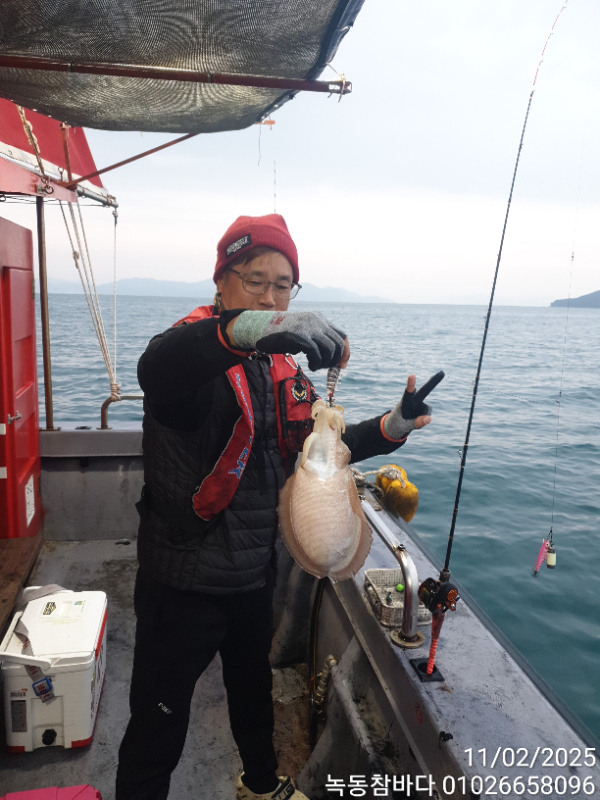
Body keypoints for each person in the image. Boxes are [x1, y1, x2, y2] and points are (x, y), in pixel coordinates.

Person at [116, 214, 435, 800]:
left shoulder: (279, 369)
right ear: (221, 282)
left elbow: (324, 447)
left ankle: (261, 787)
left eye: (282, 285)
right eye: (254, 279)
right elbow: (157, 368)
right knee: (158, 722)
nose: (269, 296)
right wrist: (260, 328)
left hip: (252, 574)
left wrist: (394, 424)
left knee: (252, 694)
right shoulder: (195, 357)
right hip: (183, 580)